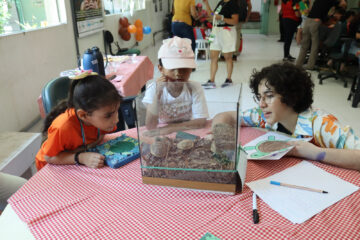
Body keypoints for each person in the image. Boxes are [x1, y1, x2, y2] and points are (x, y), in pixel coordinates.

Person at [212, 63, 360, 171]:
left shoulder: (322, 123)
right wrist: (221, 140)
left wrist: (315, 153)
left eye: (269, 96)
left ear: (290, 96)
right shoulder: (263, 116)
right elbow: (224, 116)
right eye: (259, 97)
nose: (262, 104)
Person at [35, 73, 122, 170]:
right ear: (83, 115)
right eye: (108, 115)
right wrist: (80, 157)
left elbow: (100, 137)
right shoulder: (62, 127)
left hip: (77, 158)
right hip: (51, 166)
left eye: (117, 111)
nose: (116, 120)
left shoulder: (100, 119)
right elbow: (49, 157)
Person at [142, 36, 209, 137]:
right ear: (161, 69)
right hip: (161, 131)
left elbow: (200, 121)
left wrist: (170, 129)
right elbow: (151, 126)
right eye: (172, 68)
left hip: (185, 130)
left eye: (184, 68)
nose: (178, 73)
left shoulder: (194, 87)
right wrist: (157, 94)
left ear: (191, 69)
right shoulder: (153, 88)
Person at [295, 0, 347, 70]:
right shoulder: (330, 1)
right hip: (315, 21)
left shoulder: (316, 1)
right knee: (315, 46)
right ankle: (310, 66)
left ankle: (298, 64)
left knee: (304, 45)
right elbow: (341, 4)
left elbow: (307, 9)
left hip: (307, 21)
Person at [201, 0, 240, 89]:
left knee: (227, 57)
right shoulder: (221, 2)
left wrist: (222, 18)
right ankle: (211, 80)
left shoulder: (233, 3)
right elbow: (213, 16)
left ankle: (229, 79)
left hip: (227, 31)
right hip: (216, 31)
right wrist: (206, 3)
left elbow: (235, 21)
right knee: (213, 57)